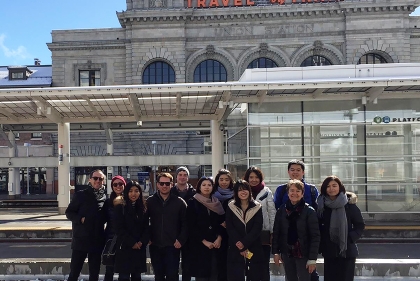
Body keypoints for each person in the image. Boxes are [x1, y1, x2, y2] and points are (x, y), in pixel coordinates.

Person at [273, 159, 320, 281]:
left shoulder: (311, 191)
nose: (295, 172)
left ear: (303, 172)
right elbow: (277, 229)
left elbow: (315, 232)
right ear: (288, 172)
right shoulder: (281, 193)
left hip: (304, 246)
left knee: (309, 277)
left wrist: (312, 257)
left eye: (298, 170)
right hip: (287, 247)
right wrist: (276, 251)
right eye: (292, 170)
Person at [317, 176, 365, 281]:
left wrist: (350, 238)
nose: (331, 189)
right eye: (328, 186)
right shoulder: (321, 206)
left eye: (334, 185)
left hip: (347, 251)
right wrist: (321, 244)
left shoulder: (349, 205)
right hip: (329, 251)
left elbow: (360, 225)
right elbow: (318, 227)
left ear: (340, 187)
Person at [65, 169, 107, 281]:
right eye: (95, 178)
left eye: (101, 179)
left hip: (97, 240)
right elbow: (69, 212)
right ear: (90, 180)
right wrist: (80, 219)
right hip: (81, 240)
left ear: (104, 181)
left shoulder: (104, 197)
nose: (98, 181)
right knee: (74, 272)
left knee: (94, 273)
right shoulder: (80, 195)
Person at [147, 172, 188, 281]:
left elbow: (186, 223)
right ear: (157, 184)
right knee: (158, 276)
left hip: (173, 245)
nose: (164, 186)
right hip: (155, 245)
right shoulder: (150, 201)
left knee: (172, 275)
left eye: (167, 183)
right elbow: (144, 222)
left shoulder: (180, 202)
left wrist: (181, 239)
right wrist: (148, 237)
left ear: (172, 184)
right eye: (162, 183)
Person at [186, 176, 225, 281]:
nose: (206, 187)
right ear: (199, 187)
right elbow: (191, 226)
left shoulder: (217, 203)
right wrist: (203, 241)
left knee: (215, 274)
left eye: (209, 185)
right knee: (202, 276)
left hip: (216, 245)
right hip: (200, 246)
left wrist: (219, 238)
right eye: (204, 185)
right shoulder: (192, 202)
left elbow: (223, 223)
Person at [225, 180, 264, 281]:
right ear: (236, 192)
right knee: (236, 275)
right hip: (235, 246)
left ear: (249, 191)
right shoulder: (231, 206)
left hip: (253, 245)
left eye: (245, 189)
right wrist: (239, 244)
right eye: (240, 190)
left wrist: (244, 243)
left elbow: (257, 227)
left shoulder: (257, 206)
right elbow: (230, 226)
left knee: (254, 274)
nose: (243, 192)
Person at [243, 166, 276, 281]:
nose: (253, 180)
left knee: (263, 264)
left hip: (263, 234)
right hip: (248, 235)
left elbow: (272, 212)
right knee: (250, 263)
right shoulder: (242, 191)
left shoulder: (266, 192)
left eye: (256, 177)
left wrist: (272, 232)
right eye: (251, 177)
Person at [113, 180, 149, 281]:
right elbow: (118, 228)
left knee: (137, 277)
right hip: (125, 248)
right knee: (124, 277)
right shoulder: (120, 207)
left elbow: (147, 227)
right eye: (130, 191)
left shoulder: (143, 207)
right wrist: (132, 242)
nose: (133, 194)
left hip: (139, 248)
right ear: (126, 192)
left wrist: (142, 242)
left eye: (136, 191)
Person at [170, 166, 195, 281]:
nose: (182, 177)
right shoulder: (170, 192)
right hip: (173, 233)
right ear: (176, 177)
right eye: (180, 174)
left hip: (189, 234)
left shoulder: (194, 193)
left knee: (188, 265)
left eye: (185, 175)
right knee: (172, 265)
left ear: (188, 177)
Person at [103, 175, 126, 281]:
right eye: (115, 184)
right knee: (109, 269)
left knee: (124, 270)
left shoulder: (129, 200)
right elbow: (101, 219)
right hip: (111, 239)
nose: (118, 186)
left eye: (120, 184)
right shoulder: (108, 202)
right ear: (112, 186)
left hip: (125, 240)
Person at [213, 168, 235, 281]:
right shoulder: (212, 194)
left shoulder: (235, 195)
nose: (224, 182)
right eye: (221, 179)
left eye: (227, 179)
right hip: (215, 235)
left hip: (232, 235)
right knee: (218, 266)